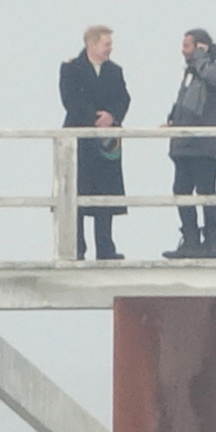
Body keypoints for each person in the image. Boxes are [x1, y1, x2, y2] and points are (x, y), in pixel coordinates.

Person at [60, 26, 130, 261]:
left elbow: (124, 98)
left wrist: (112, 117)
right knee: (77, 193)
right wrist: (93, 119)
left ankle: (106, 248)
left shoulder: (115, 71)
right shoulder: (71, 68)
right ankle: (77, 248)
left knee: (105, 194)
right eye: (106, 43)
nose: (110, 48)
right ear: (92, 44)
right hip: (80, 142)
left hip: (106, 143)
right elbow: (69, 99)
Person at [161, 28, 216, 260]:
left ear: (200, 47)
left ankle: (212, 243)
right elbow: (184, 101)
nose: (183, 51)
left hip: (206, 145)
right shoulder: (191, 72)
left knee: (206, 192)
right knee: (181, 190)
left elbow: (215, 80)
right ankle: (191, 240)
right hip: (185, 144)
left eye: (187, 46)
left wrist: (202, 59)